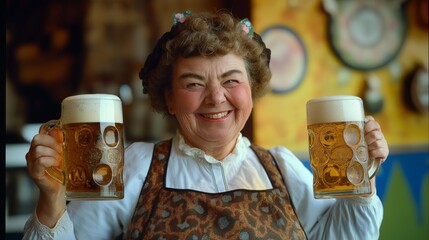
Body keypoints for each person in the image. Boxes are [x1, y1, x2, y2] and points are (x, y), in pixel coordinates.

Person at [23, 10, 389, 239]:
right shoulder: (133, 167)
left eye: (231, 80)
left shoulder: (282, 168)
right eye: (194, 83)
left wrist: (363, 177)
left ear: (252, 89)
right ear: (168, 98)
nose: (216, 98)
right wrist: (51, 199)